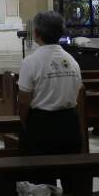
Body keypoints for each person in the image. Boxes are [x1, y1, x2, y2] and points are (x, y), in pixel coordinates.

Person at [18, 11, 82, 193]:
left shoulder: (31, 62)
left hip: (42, 124)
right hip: (70, 123)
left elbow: (23, 102)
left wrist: (25, 125)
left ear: (36, 33)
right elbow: (77, 91)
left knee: (42, 182)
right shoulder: (72, 61)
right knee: (72, 179)